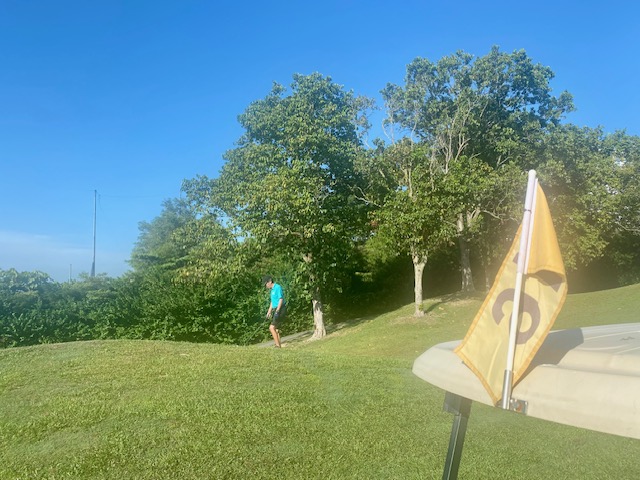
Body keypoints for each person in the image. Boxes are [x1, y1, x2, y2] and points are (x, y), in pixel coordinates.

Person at [263, 275, 286, 348]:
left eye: (266, 284)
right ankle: (279, 345)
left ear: (270, 281)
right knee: (276, 329)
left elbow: (281, 299)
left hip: (280, 309)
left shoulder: (277, 287)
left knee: (271, 327)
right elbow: (272, 302)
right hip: (275, 309)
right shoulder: (272, 290)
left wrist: (277, 311)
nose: (266, 286)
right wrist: (269, 312)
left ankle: (277, 345)